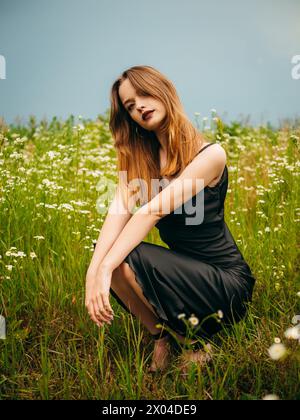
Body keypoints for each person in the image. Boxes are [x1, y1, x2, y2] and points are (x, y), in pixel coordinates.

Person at [85, 65, 256, 373]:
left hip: (225, 283)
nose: (138, 105)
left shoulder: (209, 155)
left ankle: (196, 348)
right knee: (109, 252)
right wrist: (93, 272)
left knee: (119, 257)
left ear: (164, 92)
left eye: (144, 94)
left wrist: (105, 268)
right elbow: (118, 211)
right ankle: (162, 337)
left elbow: (151, 211)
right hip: (180, 275)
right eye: (129, 105)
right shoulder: (141, 156)